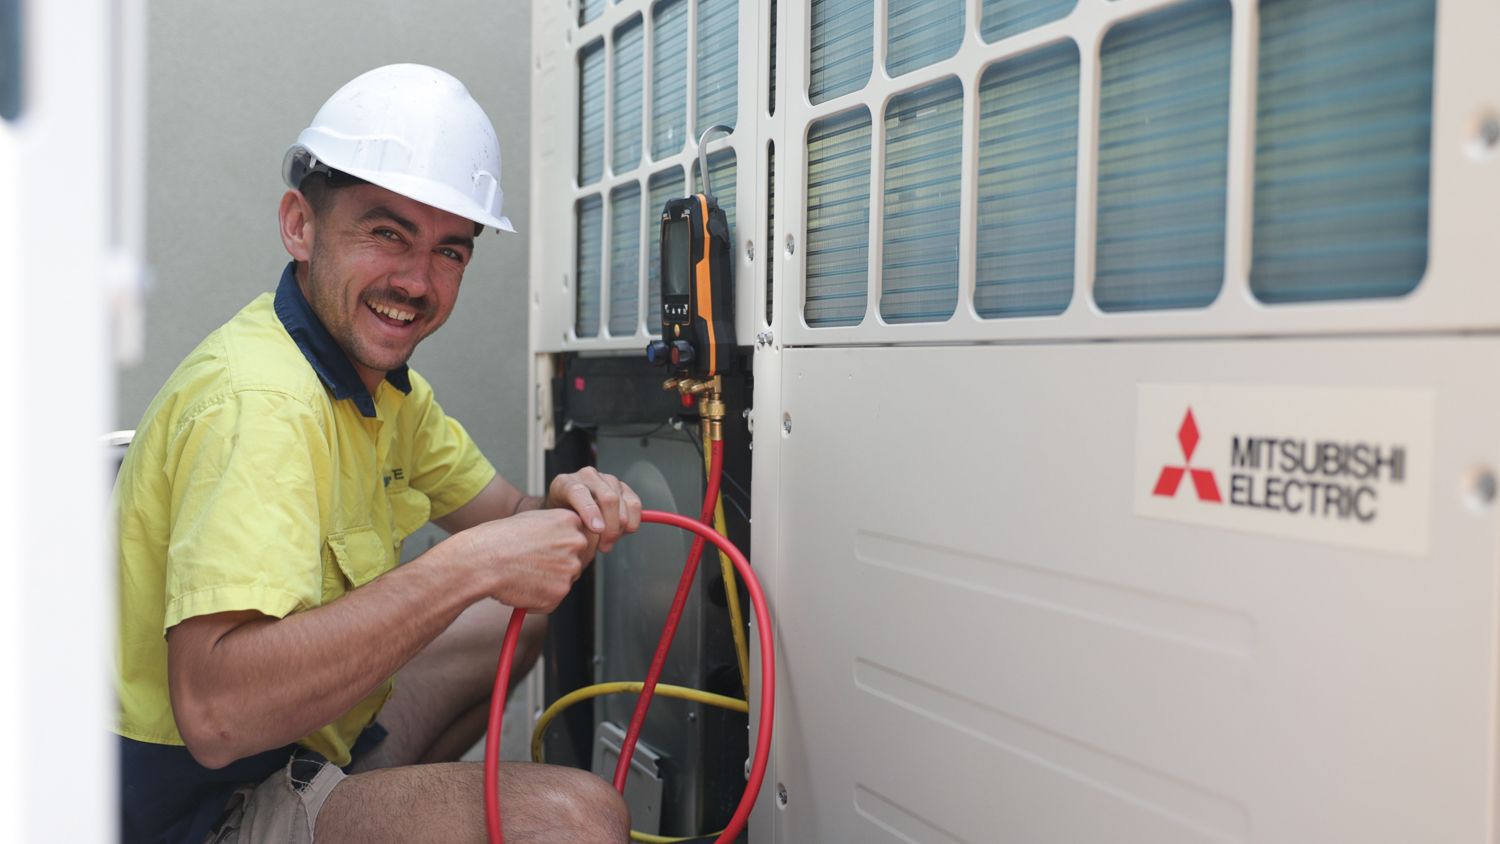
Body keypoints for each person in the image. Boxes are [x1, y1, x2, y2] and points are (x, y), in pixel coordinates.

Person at [114, 64, 638, 844]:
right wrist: (467, 566)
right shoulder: (261, 404)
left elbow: (514, 523)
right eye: (386, 232)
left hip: (297, 745)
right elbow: (217, 717)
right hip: (194, 808)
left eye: (451, 251)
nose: (417, 280)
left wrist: (568, 506)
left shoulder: (383, 389)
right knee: (575, 818)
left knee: (515, 615)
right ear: (300, 224)